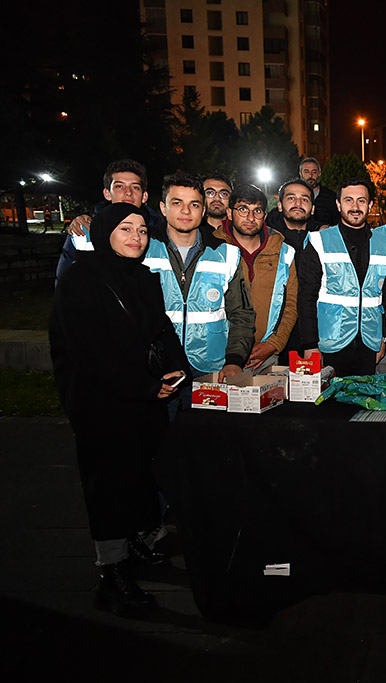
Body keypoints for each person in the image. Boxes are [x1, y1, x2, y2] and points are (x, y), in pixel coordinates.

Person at [50, 203, 190, 617]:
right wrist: (148, 386)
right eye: (125, 229)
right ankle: (111, 575)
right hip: (101, 403)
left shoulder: (143, 277)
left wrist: (175, 367)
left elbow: (160, 327)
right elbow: (89, 353)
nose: (136, 237)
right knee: (109, 483)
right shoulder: (80, 280)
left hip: (142, 398)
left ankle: (133, 544)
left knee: (139, 475)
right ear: (104, 233)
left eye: (143, 231)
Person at [145, 173, 255, 383]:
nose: (186, 211)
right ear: (162, 207)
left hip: (210, 368)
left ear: (203, 211)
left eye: (194, 205)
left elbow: (242, 314)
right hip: (157, 367)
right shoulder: (143, 250)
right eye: (177, 203)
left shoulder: (227, 254)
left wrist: (234, 360)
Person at [297, 178, 386, 376]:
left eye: (361, 201)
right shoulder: (319, 242)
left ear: (370, 205)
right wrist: (310, 344)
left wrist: (383, 339)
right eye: (349, 200)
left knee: (364, 402)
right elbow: (306, 297)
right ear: (338, 204)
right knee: (328, 403)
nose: (355, 207)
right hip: (330, 343)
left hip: (369, 343)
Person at [213, 184, 299, 371]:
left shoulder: (283, 252)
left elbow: (291, 303)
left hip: (265, 355)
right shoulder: (211, 248)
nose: (251, 218)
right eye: (243, 209)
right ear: (229, 213)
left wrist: (274, 343)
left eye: (257, 211)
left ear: (265, 216)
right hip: (217, 354)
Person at [55, 159, 165, 282]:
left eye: (135, 187)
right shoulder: (83, 231)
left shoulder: (159, 234)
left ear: (144, 196)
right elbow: (64, 283)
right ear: (107, 193)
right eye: (119, 186)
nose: (128, 193)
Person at [266, 177, 326, 252]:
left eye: (304, 199)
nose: (298, 204)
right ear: (280, 206)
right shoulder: (265, 239)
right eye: (291, 198)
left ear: (312, 209)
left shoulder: (323, 237)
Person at [300, 156, 340, 226]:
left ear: (319, 173)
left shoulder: (331, 197)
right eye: (306, 172)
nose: (310, 175)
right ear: (300, 174)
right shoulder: (293, 197)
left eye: (314, 172)